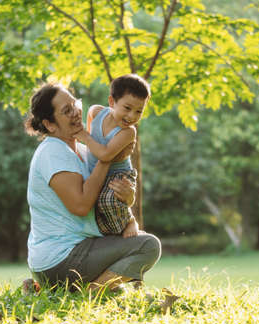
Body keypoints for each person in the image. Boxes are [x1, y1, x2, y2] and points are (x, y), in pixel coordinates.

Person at [24, 82, 161, 291]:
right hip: (60, 259)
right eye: (66, 111)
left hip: (76, 251)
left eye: (75, 105)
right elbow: (80, 206)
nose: (76, 113)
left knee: (121, 282)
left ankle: (72, 288)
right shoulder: (53, 152)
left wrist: (128, 199)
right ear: (50, 124)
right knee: (148, 246)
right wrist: (109, 156)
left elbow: (102, 197)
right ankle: (88, 292)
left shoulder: (81, 150)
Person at [76, 74, 150, 238]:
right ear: (111, 102)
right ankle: (108, 235)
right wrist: (88, 139)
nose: (132, 116)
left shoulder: (128, 132)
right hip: (95, 172)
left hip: (119, 175)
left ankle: (129, 221)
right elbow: (91, 131)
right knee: (93, 206)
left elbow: (105, 155)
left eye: (139, 111)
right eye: (127, 108)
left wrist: (85, 138)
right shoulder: (96, 112)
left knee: (107, 200)